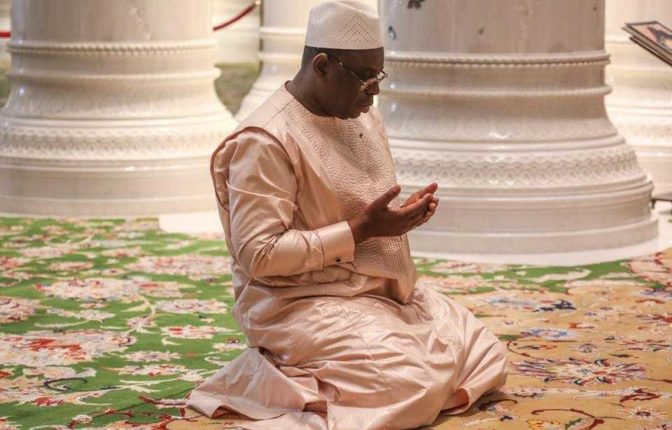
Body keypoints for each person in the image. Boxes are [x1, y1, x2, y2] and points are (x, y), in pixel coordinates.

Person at [187, 1, 507, 428]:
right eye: (364, 78)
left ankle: (363, 362)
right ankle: (272, 377)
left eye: (379, 77)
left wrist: (397, 219)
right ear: (321, 65)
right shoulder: (265, 140)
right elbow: (258, 255)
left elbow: (360, 208)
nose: (374, 93)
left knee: (485, 353)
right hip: (299, 303)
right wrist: (360, 230)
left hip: (377, 292)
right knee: (412, 383)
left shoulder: (360, 116)